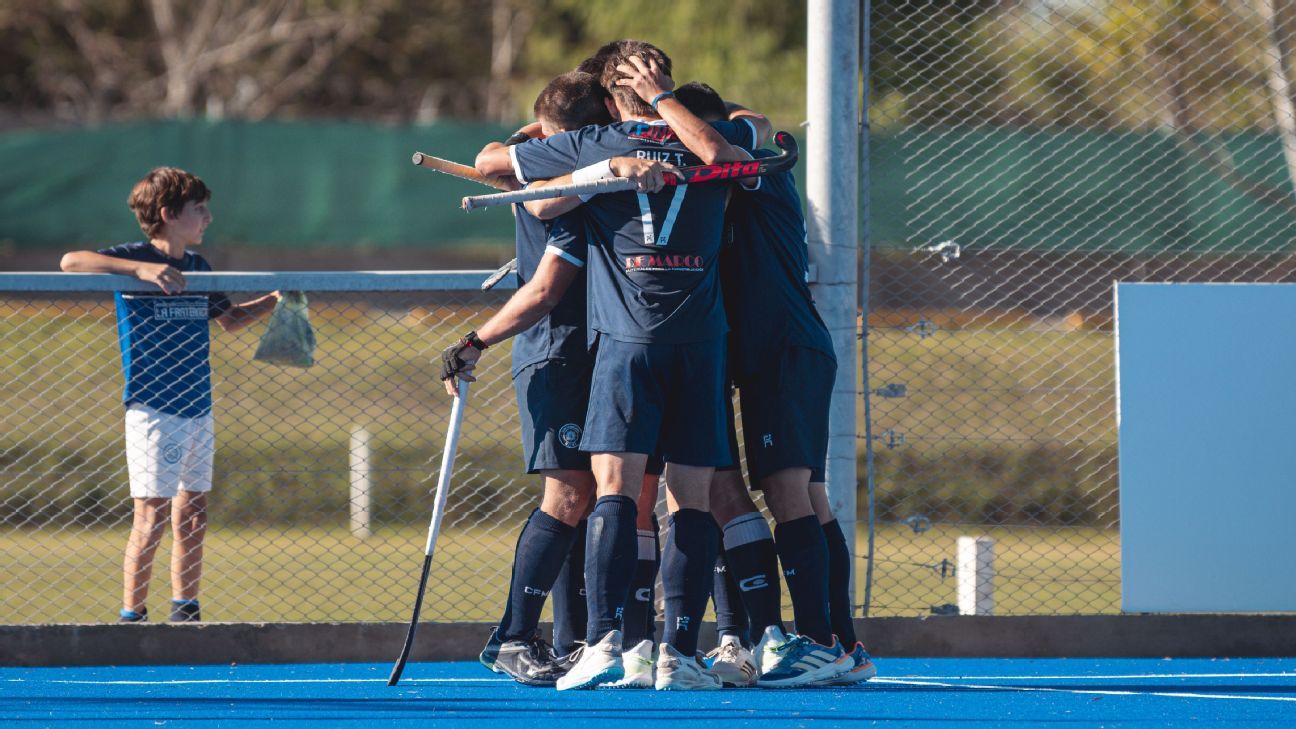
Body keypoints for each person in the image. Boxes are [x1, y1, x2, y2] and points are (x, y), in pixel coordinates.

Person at [471, 40, 762, 691]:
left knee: (615, 491)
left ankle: (606, 642)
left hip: (627, 345)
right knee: (688, 497)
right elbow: (744, 144)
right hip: (699, 345)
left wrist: (593, 168)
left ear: (608, 99)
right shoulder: (708, 139)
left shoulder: (591, 142)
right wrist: (661, 109)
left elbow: (509, 178)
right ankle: (675, 651)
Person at [440, 70, 675, 686]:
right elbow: (544, 290)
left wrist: (533, 141)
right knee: (569, 494)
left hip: (604, 351)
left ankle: (584, 640)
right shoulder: (571, 189)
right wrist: (475, 341)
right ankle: (512, 637)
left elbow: (503, 151)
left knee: (603, 495)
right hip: (558, 351)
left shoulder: (567, 169)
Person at [670, 81, 877, 687]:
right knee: (807, 496)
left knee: (791, 495)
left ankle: (818, 642)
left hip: (785, 349)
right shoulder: (712, 187)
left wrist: (666, 104)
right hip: (770, 353)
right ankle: (841, 643)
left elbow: (746, 128)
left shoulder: (751, 161)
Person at [60, 167, 279, 624]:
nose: (208, 218)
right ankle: (133, 619)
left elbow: (229, 320)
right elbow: (70, 262)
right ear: (169, 214)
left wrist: (277, 299)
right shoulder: (134, 257)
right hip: (153, 411)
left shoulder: (198, 267)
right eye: (200, 210)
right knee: (151, 516)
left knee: (194, 513)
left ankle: (185, 613)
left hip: (199, 407)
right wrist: (140, 270)